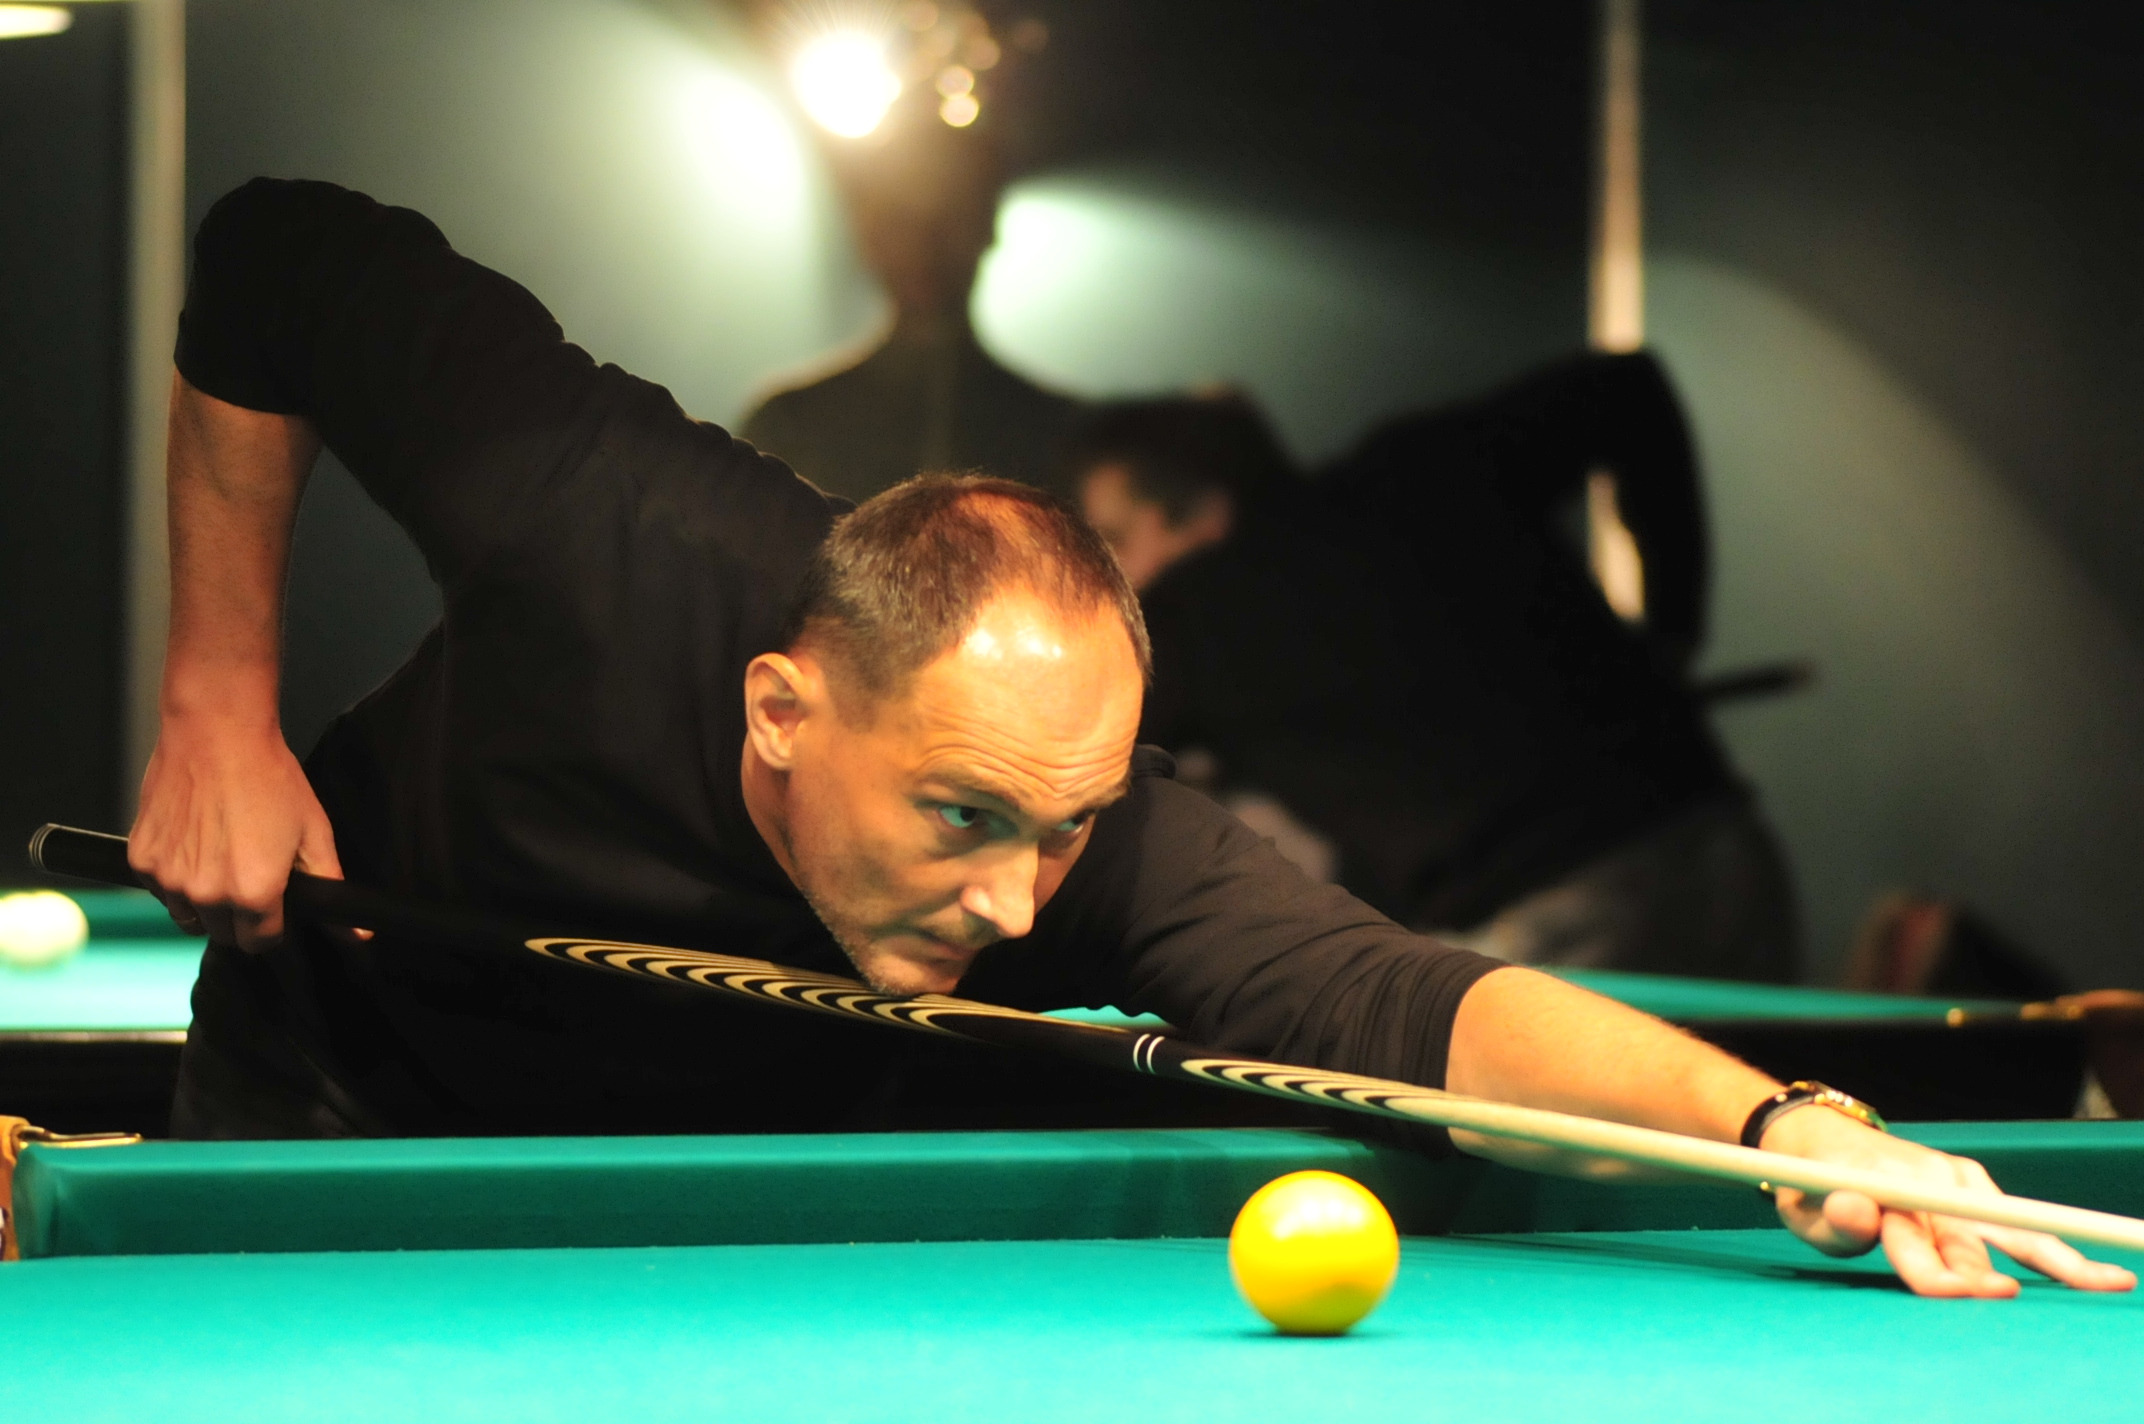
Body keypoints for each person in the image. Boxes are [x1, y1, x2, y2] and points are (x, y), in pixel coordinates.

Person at [128, 177, 2129, 1301]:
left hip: (736, 1201)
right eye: (959, 812)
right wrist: (218, 701)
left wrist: (1785, 1126)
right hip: (348, 1082)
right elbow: (278, 254)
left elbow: (1414, 999)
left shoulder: (1085, 845)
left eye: (1066, 825)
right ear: (780, 707)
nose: (1018, 900)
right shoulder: (604, 520)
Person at [1067, 361, 1797, 982]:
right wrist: (1675, 622)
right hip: (1721, 849)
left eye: (1118, 539)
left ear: (1203, 511)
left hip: (1558, 927)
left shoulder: (1189, 619)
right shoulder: (1420, 468)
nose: (1119, 576)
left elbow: (1076, 766)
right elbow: (1626, 387)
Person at [738, 99, 1080, 502]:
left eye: (950, 213)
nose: (926, 242)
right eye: (902, 216)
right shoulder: (788, 424)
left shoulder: (1068, 436)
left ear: (986, 225)